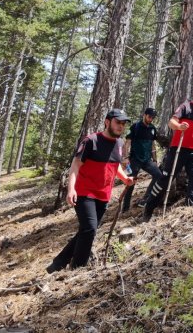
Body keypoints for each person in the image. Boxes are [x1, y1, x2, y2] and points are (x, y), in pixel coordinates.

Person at [46, 109, 135, 273]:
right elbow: (75, 166)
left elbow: (114, 167)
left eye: (123, 124)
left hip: (104, 195)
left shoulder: (119, 144)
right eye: (118, 122)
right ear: (107, 122)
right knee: (89, 229)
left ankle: (58, 263)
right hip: (84, 192)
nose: (120, 126)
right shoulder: (91, 141)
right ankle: (78, 268)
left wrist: (125, 179)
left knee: (86, 230)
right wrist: (71, 189)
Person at [142, 86, 193, 220]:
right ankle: (148, 209)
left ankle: (191, 211)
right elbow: (171, 122)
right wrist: (179, 126)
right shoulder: (186, 107)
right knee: (165, 180)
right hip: (178, 149)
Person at [121, 107, 163, 212]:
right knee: (130, 182)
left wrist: (155, 159)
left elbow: (153, 145)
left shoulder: (152, 128)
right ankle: (125, 208)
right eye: (149, 116)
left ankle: (145, 199)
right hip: (135, 160)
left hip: (147, 160)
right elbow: (127, 143)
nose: (150, 119)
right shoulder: (135, 126)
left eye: (152, 117)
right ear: (144, 115)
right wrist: (125, 158)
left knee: (158, 175)